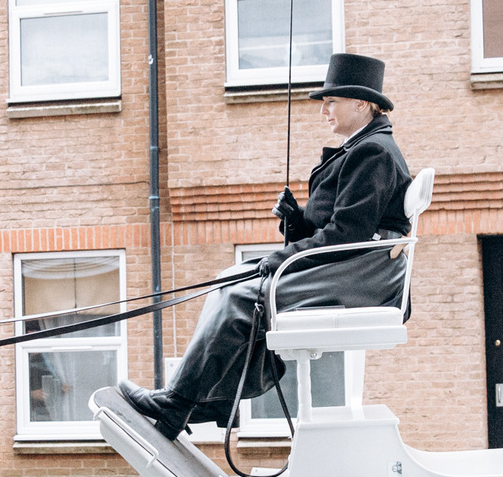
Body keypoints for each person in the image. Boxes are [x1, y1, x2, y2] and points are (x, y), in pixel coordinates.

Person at [118, 53, 411, 439]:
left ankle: (177, 402)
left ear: (361, 103)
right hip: (354, 263)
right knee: (230, 280)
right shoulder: (362, 147)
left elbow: (347, 234)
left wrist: (285, 256)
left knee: (243, 298)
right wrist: (297, 218)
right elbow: (338, 225)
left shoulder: (373, 151)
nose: (324, 109)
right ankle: (218, 401)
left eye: (332, 101)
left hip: (364, 273)